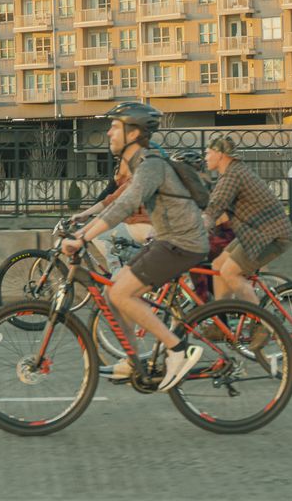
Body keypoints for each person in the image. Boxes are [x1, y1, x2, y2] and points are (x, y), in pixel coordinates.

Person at [60, 101, 210, 392]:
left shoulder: (151, 164)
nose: (109, 133)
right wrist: (83, 232)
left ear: (133, 132)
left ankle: (177, 349)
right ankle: (133, 360)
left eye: (115, 127)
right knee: (110, 291)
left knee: (121, 291)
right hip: (169, 241)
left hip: (182, 242)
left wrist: (83, 238)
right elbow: (115, 204)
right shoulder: (140, 165)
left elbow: (127, 205)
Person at [200, 137, 292, 303]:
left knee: (229, 272)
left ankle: (261, 325)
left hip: (270, 235)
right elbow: (218, 213)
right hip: (254, 233)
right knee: (218, 265)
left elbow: (212, 210)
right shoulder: (232, 172)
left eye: (208, 153)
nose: (205, 157)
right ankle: (221, 319)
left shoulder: (233, 175)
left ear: (220, 154)